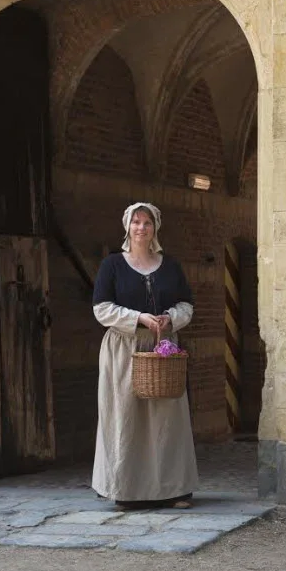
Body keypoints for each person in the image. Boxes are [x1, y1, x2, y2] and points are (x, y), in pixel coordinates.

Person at [91, 201, 198, 509]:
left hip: (162, 348)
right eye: (136, 222)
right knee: (126, 416)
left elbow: (186, 304)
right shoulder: (112, 265)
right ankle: (126, 490)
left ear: (155, 228)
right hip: (124, 349)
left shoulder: (170, 265)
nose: (141, 227)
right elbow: (101, 308)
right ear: (127, 226)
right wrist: (138, 318)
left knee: (168, 418)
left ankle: (175, 489)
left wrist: (169, 318)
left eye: (147, 223)